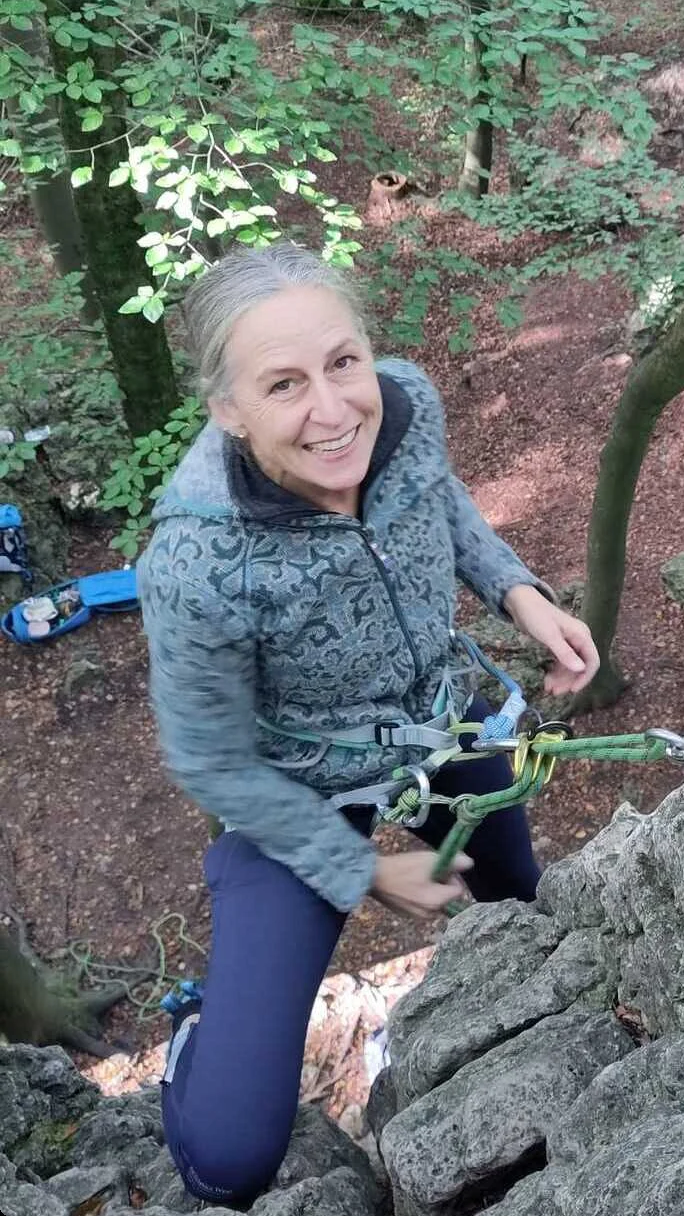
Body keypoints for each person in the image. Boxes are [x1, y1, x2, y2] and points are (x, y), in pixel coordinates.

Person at [138, 242, 599, 1207]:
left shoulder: (406, 406)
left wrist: (520, 594)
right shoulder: (197, 563)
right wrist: (360, 870)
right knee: (227, 1158)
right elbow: (209, 759)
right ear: (228, 409)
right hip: (290, 788)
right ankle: (195, 1039)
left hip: (440, 729)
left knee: (527, 904)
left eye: (343, 361)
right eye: (284, 384)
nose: (335, 408)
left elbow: (440, 501)